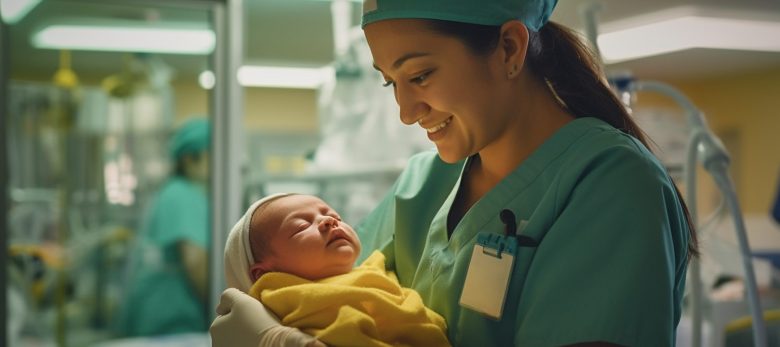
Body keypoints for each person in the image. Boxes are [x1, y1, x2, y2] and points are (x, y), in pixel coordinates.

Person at [210, 0, 698, 345]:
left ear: (509, 48)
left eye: (419, 75)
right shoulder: (423, 184)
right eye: (391, 83)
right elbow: (320, 292)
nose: (405, 111)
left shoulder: (612, 187)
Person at [220, 193, 450, 347]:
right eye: (301, 226)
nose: (329, 221)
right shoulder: (284, 300)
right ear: (264, 275)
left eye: (334, 216)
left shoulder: (375, 270)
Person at [117, 118, 211, 336]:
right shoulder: (180, 194)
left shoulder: (190, 194)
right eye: (212, 155)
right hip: (169, 315)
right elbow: (195, 261)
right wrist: (223, 308)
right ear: (189, 159)